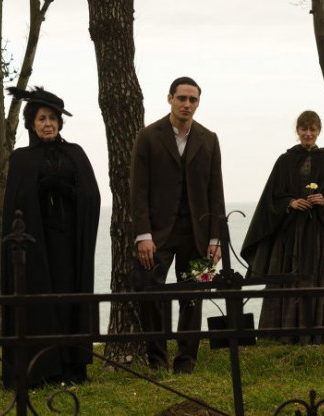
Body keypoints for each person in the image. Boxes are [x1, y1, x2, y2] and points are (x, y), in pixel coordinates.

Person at [1, 86, 100, 388]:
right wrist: (40, 188)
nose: (48, 124)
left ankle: (71, 365)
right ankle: (42, 368)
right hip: (36, 245)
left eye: (53, 119)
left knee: (69, 300)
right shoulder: (21, 159)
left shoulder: (75, 153)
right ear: (31, 123)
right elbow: (15, 203)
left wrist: (67, 189)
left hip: (69, 244)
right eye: (42, 119)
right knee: (40, 301)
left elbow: (91, 196)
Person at [130, 76, 226, 374]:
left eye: (192, 100)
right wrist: (142, 234)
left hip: (198, 234)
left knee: (194, 295)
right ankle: (157, 361)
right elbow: (138, 190)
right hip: (156, 234)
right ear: (170, 98)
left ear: (198, 103)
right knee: (150, 293)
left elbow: (216, 192)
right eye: (181, 98)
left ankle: (186, 362)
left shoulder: (209, 139)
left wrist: (216, 240)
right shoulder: (148, 136)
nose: (187, 104)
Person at [241, 110, 324, 344]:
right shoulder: (285, 161)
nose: (308, 133)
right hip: (289, 235)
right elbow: (271, 197)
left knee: (319, 278)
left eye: (312, 129)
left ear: (319, 131)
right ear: (297, 130)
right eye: (304, 129)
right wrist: (290, 203)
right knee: (287, 279)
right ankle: (282, 336)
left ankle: (322, 337)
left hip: (320, 235)